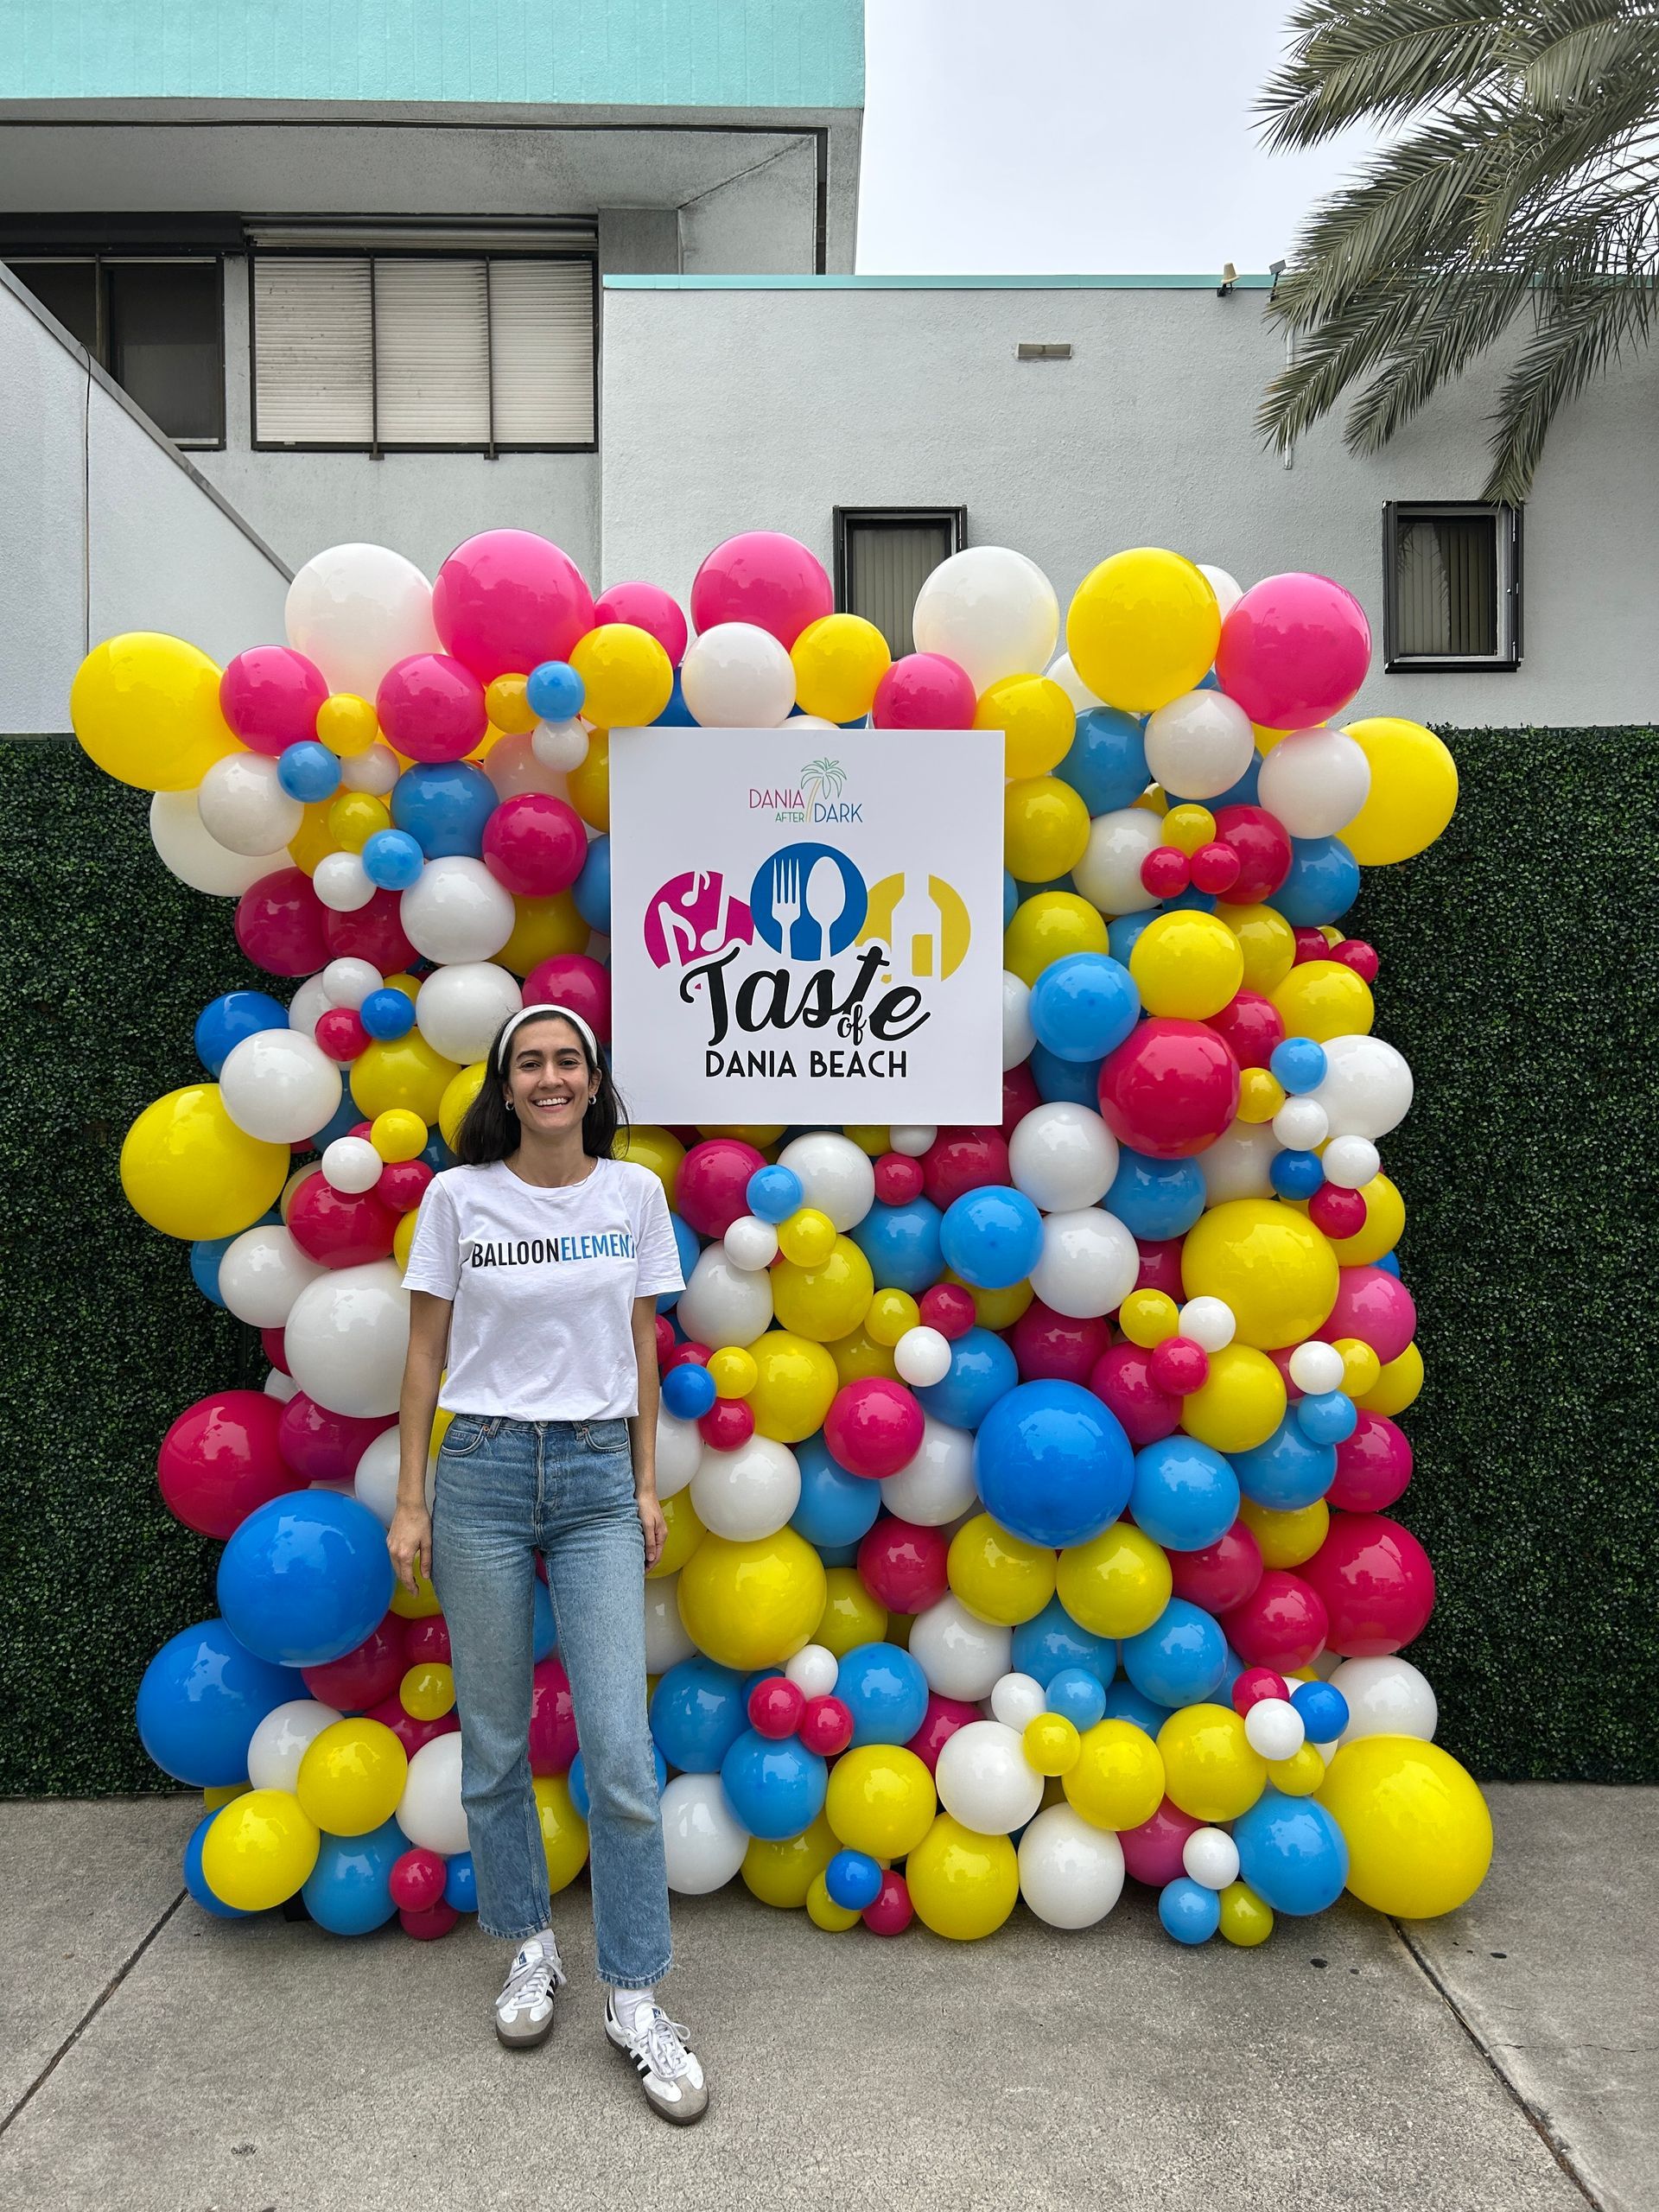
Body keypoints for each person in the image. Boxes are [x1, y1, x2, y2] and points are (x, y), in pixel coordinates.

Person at [388, 1001, 708, 2126]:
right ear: (505, 1083)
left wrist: (643, 1480)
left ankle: (635, 1997)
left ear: (593, 1079)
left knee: (621, 1750)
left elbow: (640, 1340)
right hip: (474, 1471)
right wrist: (413, 1497)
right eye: (531, 1062)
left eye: (568, 1060)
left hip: (591, 1486)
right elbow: (425, 1349)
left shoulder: (633, 1196)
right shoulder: (457, 1196)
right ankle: (530, 1948)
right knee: (497, 1740)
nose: (551, 1077)